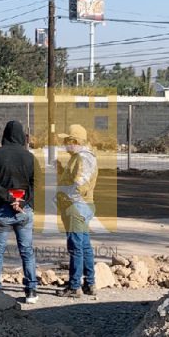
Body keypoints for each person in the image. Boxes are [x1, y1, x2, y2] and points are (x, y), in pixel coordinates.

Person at [0, 120, 39, 304]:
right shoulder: (30, 157)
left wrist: (8, 198)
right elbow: (36, 184)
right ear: (22, 136)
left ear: (5, 135)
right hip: (24, 211)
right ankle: (31, 290)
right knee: (27, 251)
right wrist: (22, 201)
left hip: (2, 210)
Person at [56, 124, 98, 297]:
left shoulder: (83, 158)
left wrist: (65, 197)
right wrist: (60, 170)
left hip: (77, 207)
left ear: (75, 141)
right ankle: (90, 283)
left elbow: (79, 184)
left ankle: (75, 286)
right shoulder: (78, 158)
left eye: (67, 140)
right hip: (81, 205)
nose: (65, 143)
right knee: (84, 245)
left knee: (76, 247)